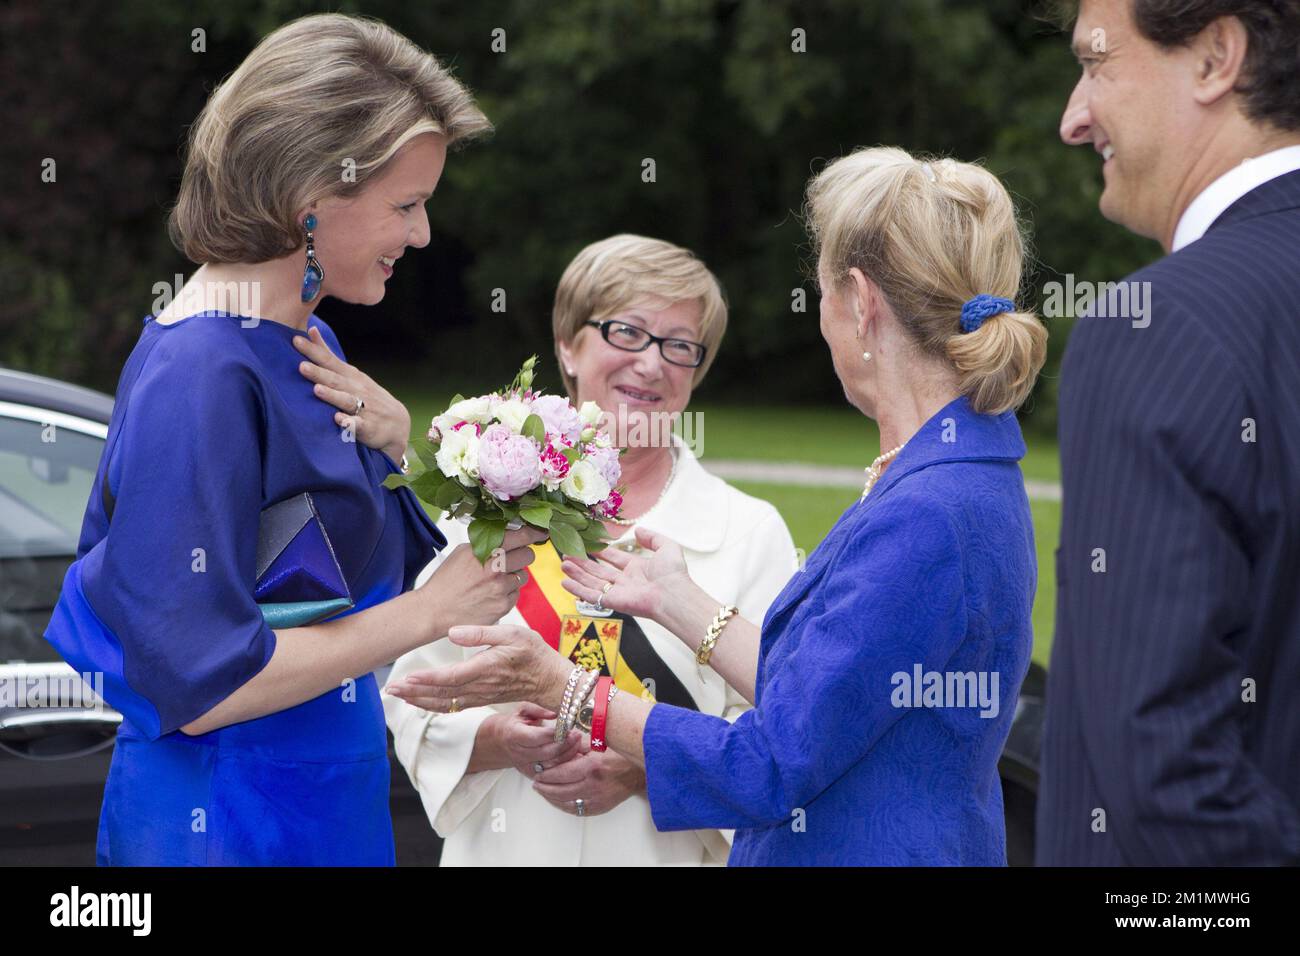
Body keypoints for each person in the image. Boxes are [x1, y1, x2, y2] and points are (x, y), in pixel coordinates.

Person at [386, 147, 1050, 865]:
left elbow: (773, 758)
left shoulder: (930, 507)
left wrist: (565, 687)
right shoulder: (946, 474)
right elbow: (828, 692)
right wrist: (680, 600)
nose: (651, 363)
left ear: (859, 304)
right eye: (626, 332)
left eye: (821, 291)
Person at [42, 13, 548, 866]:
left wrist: (405, 452)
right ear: (310, 198)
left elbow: (321, 581)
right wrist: (426, 613)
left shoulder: (306, 342)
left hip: (319, 795)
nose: (422, 235)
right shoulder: (201, 374)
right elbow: (201, 686)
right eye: (407, 205)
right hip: (227, 814)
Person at [383, 234, 799, 865]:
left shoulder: (750, 531)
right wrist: (499, 739)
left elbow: (778, 728)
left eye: (679, 345)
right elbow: (413, 695)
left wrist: (646, 768)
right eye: (626, 331)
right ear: (567, 346)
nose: (651, 364)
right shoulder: (479, 514)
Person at [1039, 0, 1300, 865]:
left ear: (1215, 58)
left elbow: (1165, 781)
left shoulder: (1158, 330)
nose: (1074, 117)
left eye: (1099, 62)